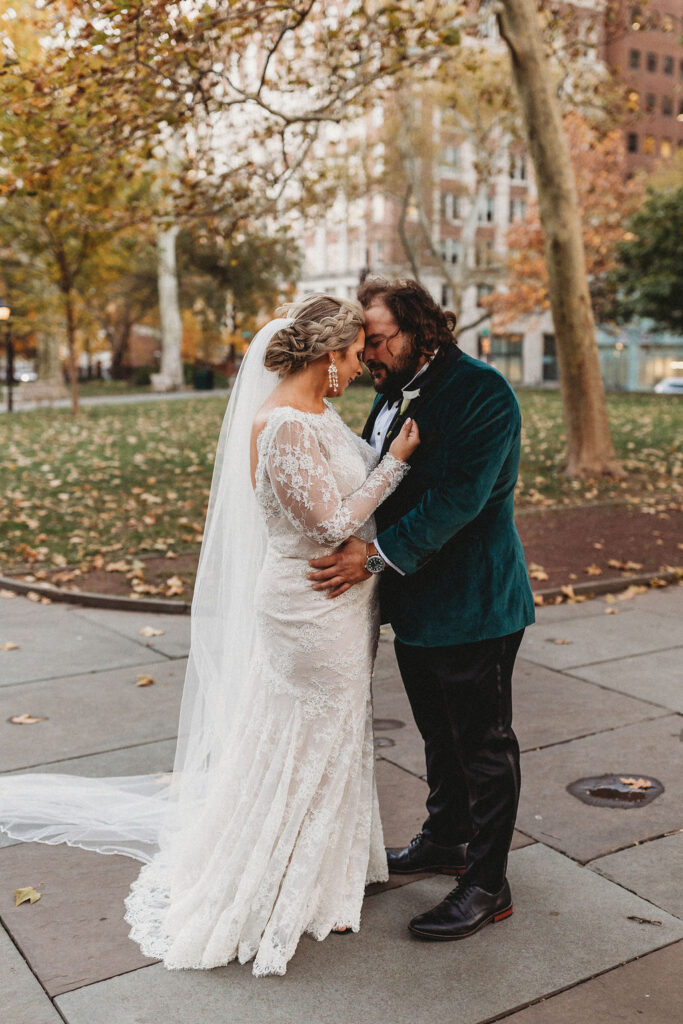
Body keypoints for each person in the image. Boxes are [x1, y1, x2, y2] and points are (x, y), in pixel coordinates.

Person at [0, 295, 420, 977]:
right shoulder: (283, 423)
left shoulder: (319, 412)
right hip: (308, 607)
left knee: (335, 732)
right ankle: (279, 882)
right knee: (303, 735)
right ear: (323, 353)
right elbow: (325, 527)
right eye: (348, 353)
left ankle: (324, 873)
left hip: (342, 605)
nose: (356, 365)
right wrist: (394, 463)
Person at [308, 278, 535, 941]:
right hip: (415, 603)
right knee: (440, 736)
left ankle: (487, 882)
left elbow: (458, 502)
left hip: (474, 603)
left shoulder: (481, 391)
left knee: (483, 746)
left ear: (420, 329)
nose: (367, 355)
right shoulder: (388, 389)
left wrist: (371, 560)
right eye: (363, 344)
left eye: (375, 340)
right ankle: (446, 839)